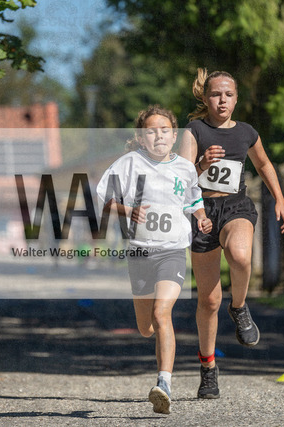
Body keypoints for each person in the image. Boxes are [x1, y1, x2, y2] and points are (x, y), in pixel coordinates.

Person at [178, 69, 284, 399]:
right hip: (202, 212)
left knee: (240, 256)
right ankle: (208, 369)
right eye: (216, 94)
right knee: (209, 300)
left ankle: (239, 307)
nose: (222, 100)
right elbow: (180, 178)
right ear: (206, 98)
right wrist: (201, 163)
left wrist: (280, 200)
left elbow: (264, 164)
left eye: (228, 94)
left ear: (237, 99)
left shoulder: (246, 132)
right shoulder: (194, 131)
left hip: (236, 206)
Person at [96, 105, 212, 414]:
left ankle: (164, 383)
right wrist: (128, 211)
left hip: (172, 251)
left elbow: (193, 200)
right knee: (146, 327)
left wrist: (201, 216)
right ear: (140, 137)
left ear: (174, 136)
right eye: (151, 131)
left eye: (165, 130)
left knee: (162, 314)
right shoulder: (129, 164)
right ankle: (161, 368)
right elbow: (105, 200)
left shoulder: (185, 168)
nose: (158, 135)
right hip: (140, 253)